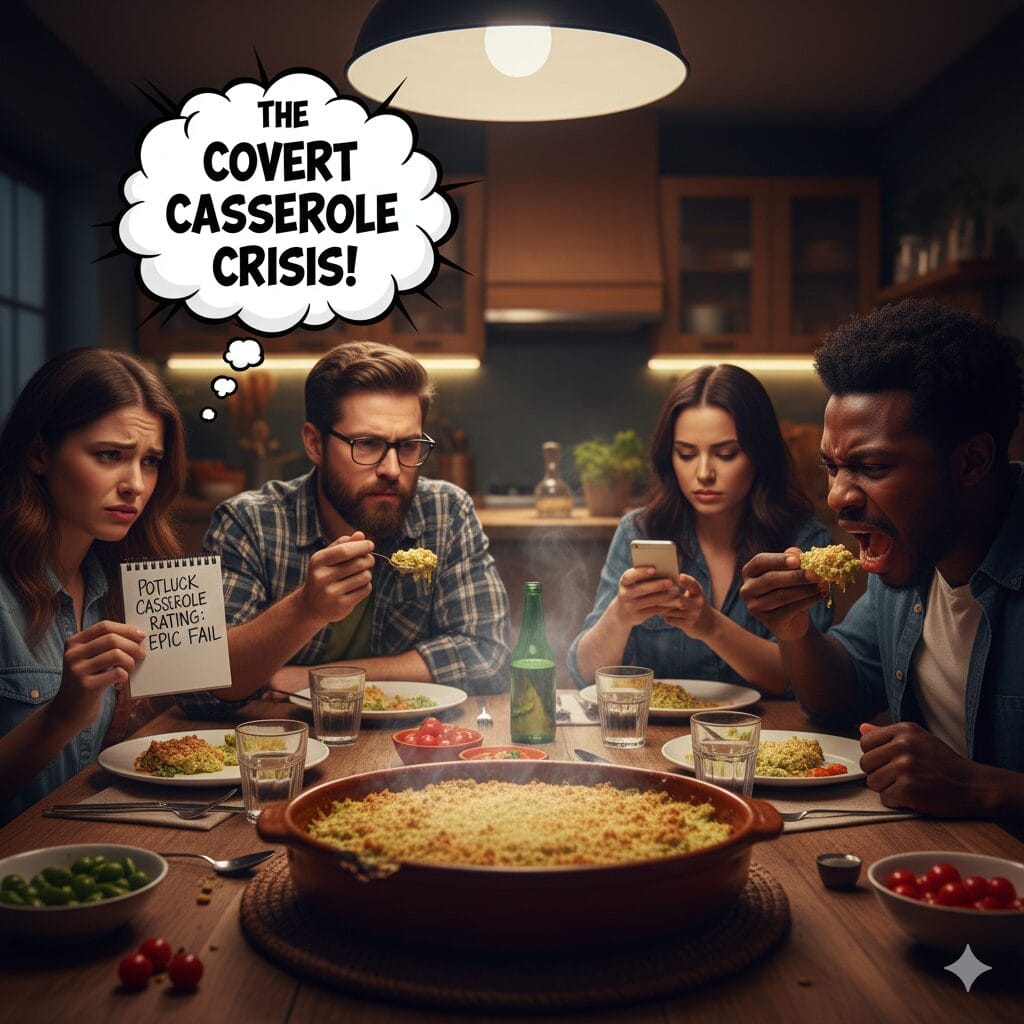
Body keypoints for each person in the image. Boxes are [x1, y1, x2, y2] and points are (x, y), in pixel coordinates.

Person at [740, 298, 1024, 822]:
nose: (837, 498)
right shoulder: (907, 560)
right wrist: (794, 630)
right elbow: (839, 696)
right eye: (832, 467)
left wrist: (982, 787)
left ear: (972, 462)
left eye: (870, 466)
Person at [182, 340, 511, 714]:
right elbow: (197, 685)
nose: (391, 469)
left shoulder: (446, 512)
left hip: (414, 748)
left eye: (408, 446)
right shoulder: (251, 524)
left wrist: (322, 677)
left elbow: (489, 655)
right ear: (314, 444)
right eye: (367, 444)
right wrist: (305, 609)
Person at [0, 348, 186, 822]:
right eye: (110, 455)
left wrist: (132, 716)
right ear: (40, 453)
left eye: (150, 461)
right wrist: (62, 714)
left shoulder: (120, 582)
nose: (135, 485)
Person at [568, 364, 833, 694]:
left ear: (759, 455)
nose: (704, 472)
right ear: (670, 457)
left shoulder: (802, 542)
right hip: (653, 738)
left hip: (764, 738)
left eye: (726, 454)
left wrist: (710, 626)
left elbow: (802, 683)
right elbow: (585, 674)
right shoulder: (640, 530)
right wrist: (620, 615)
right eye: (686, 453)